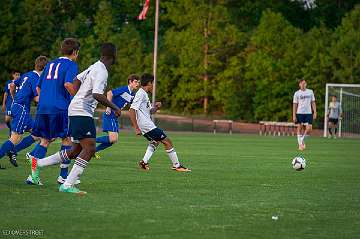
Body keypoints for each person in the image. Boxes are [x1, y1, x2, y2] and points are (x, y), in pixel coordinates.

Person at [29, 43, 121, 194]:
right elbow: (97, 94)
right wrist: (115, 107)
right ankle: (67, 184)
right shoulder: (102, 71)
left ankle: (38, 163)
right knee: (90, 148)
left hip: (75, 109)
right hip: (81, 111)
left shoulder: (94, 66)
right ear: (113, 56)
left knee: (75, 151)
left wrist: (78, 96)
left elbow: (77, 79)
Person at [27, 38, 80, 185]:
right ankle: (63, 176)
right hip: (59, 108)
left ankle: (32, 175)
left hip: (43, 107)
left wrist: (46, 98)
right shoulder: (71, 64)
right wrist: (78, 97)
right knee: (67, 140)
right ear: (75, 52)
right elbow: (68, 84)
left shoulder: (50, 64)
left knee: (44, 141)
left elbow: (38, 87)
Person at [129, 73, 191, 172]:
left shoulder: (144, 94)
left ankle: (144, 162)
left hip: (147, 124)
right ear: (149, 83)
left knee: (155, 141)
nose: (153, 85)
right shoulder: (140, 93)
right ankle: (177, 165)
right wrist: (136, 127)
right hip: (146, 125)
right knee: (167, 141)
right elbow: (132, 110)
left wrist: (156, 107)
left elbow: (150, 112)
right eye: (153, 83)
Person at [0, 56, 47, 167]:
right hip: (21, 109)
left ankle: (18, 152)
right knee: (15, 137)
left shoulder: (27, 74)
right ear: (44, 68)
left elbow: (12, 85)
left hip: (19, 107)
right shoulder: (36, 77)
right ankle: (11, 150)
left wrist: (14, 97)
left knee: (39, 134)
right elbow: (37, 99)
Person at [95, 74, 140, 158]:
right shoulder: (125, 89)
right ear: (130, 82)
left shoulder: (132, 94)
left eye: (138, 82)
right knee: (113, 139)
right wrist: (108, 107)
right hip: (110, 114)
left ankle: (93, 151)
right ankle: (89, 141)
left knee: (112, 141)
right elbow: (109, 93)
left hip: (114, 116)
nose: (137, 84)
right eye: (136, 82)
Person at [292, 78, 317, 151]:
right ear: (299, 85)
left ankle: (302, 140)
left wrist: (315, 112)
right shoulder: (297, 93)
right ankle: (300, 145)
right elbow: (295, 104)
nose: (303, 85)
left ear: (306, 84)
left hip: (308, 113)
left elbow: (313, 102)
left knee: (309, 129)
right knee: (299, 128)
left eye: (305, 83)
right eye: (302, 83)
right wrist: (294, 115)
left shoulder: (310, 92)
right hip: (299, 113)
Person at [2, 70, 20, 135]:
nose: (18, 76)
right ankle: (11, 128)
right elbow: (6, 93)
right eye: (16, 75)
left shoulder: (21, 83)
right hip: (9, 104)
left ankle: (14, 133)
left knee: (15, 119)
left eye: (19, 75)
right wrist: (4, 103)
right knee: (7, 120)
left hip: (18, 104)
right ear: (13, 75)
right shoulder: (9, 83)